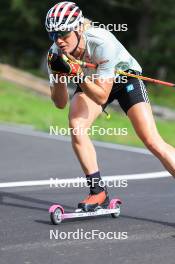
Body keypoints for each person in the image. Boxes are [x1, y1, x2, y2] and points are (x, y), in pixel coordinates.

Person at [45, 1, 175, 211]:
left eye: (63, 34)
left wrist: (77, 74)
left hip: (124, 81)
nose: (58, 41)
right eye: (53, 35)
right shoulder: (55, 53)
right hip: (91, 83)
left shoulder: (101, 41)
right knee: (77, 126)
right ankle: (98, 193)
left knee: (152, 140)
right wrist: (60, 74)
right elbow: (60, 103)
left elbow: (101, 95)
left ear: (78, 28)